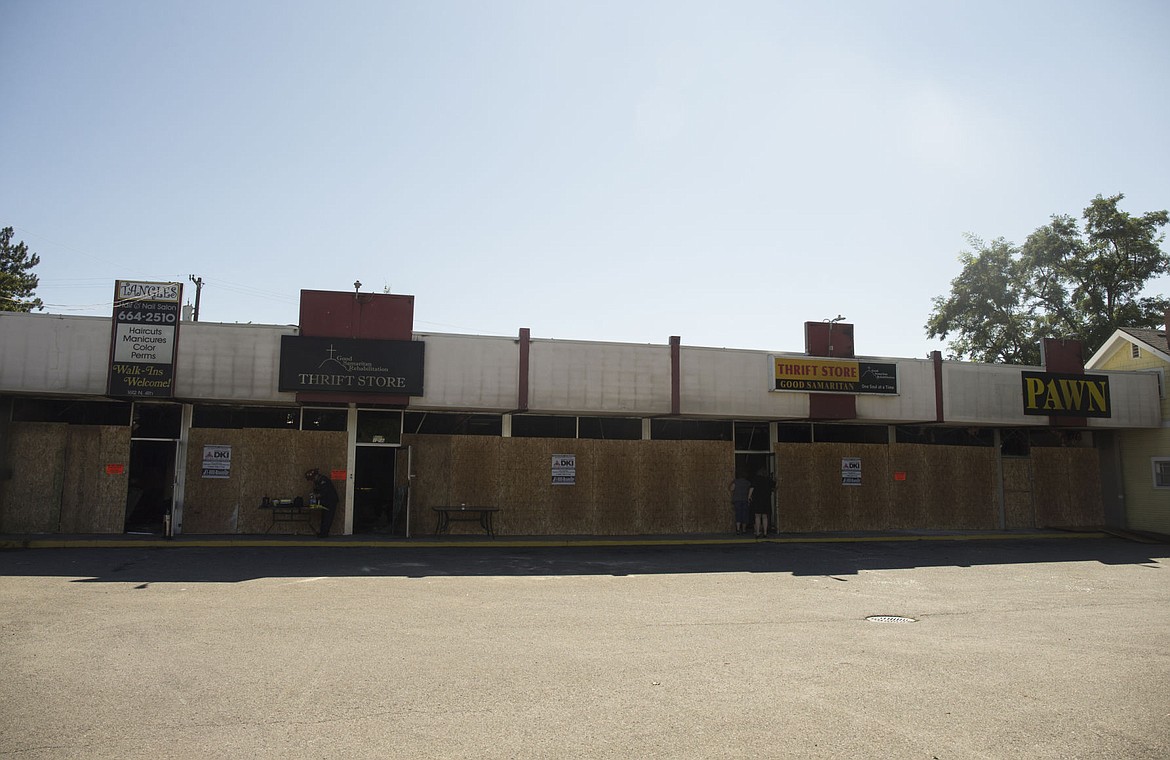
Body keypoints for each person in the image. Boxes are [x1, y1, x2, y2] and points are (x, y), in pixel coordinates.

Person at [304, 468, 339, 537]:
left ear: (315, 476)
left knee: (328, 517)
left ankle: (324, 533)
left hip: (330, 501)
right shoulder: (317, 481)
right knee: (324, 517)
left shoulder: (323, 480)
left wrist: (315, 496)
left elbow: (324, 492)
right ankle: (323, 532)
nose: (312, 480)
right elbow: (317, 491)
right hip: (325, 501)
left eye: (312, 479)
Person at [750, 468, 775, 539]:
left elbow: (752, 488)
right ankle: (765, 533)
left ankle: (757, 532)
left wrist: (749, 497)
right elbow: (775, 486)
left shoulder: (756, 479)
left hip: (757, 500)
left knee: (757, 516)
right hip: (766, 500)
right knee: (765, 517)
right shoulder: (768, 480)